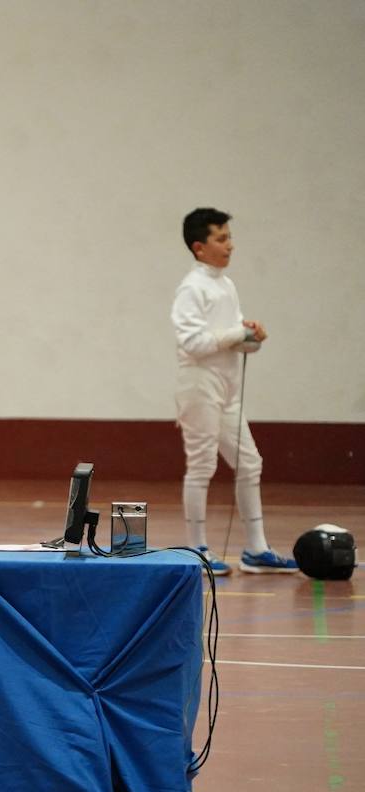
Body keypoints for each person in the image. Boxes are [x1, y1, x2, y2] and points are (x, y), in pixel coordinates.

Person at [172, 208, 297, 575]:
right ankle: (197, 549)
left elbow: (233, 343)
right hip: (198, 384)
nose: (230, 245)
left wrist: (252, 337)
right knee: (202, 466)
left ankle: (256, 549)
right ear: (199, 247)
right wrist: (237, 334)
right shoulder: (191, 288)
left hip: (228, 387)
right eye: (221, 238)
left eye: (229, 237)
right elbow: (193, 342)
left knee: (249, 462)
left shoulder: (226, 286)